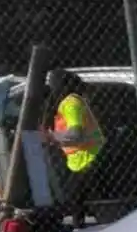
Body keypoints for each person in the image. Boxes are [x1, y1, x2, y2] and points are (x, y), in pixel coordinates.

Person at [44, 68, 104, 224]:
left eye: (52, 86)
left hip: (88, 158)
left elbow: (76, 135)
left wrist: (52, 137)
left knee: (79, 201)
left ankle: (81, 231)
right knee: (79, 202)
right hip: (82, 160)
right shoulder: (69, 102)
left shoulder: (71, 104)